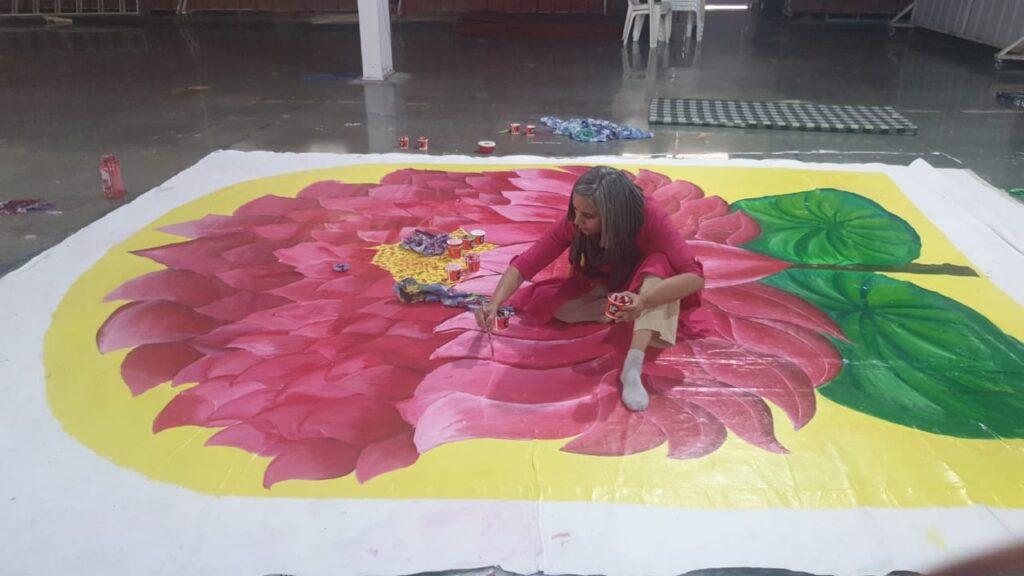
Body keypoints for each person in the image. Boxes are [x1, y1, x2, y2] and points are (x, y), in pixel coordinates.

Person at [474, 166, 706, 412]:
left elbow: (694, 277)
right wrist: (494, 302)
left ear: (614, 215)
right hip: (606, 283)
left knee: (659, 267)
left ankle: (632, 366)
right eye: (575, 211)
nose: (577, 221)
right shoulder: (575, 223)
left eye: (588, 215)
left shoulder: (650, 216)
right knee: (547, 302)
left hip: (647, 284)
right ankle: (620, 309)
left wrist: (644, 301)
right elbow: (527, 262)